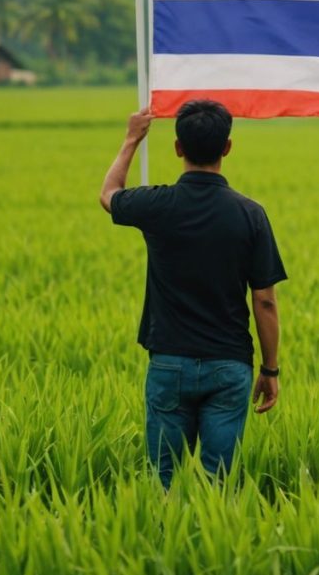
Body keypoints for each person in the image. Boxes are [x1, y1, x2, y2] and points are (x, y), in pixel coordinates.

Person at [100, 101, 286, 489]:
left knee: (163, 482)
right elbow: (265, 300)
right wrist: (270, 369)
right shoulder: (250, 214)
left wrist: (132, 139)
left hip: (170, 361)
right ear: (228, 147)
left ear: (178, 148)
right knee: (218, 485)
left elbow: (109, 194)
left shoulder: (158, 204)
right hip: (229, 365)